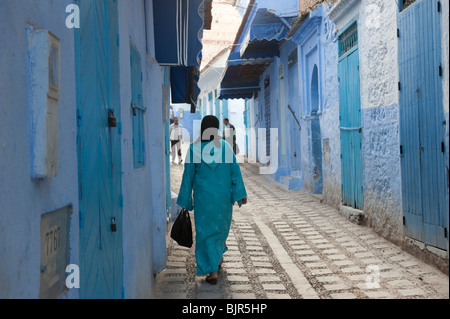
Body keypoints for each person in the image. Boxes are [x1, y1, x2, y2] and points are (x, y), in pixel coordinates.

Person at [177, 115, 248, 285]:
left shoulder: (194, 149)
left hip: (203, 200)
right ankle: (216, 260)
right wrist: (240, 194)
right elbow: (235, 172)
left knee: (205, 233)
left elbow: (188, 177)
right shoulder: (225, 147)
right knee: (219, 230)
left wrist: (186, 201)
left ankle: (212, 270)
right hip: (223, 200)